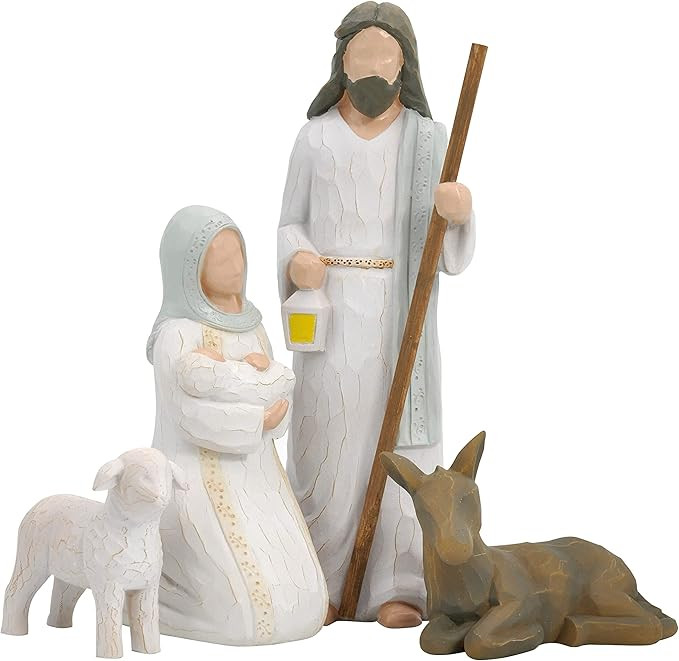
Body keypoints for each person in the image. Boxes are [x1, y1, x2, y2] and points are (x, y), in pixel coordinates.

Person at [277, 2, 476, 627]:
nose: (370, 66)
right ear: (341, 63)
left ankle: (400, 583)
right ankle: (323, 578)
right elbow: (289, 222)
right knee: (328, 443)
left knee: (401, 454)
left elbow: (449, 251)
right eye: (358, 54)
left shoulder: (427, 140)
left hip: (400, 314)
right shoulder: (314, 138)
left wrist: (459, 213)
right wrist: (297, 258)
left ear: (403, 66)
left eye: (383, 55)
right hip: (331, 314)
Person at [148, 205, 327, 645]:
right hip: (196, 478)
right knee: (240, 613)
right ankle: (147, 600)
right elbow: (188, 414)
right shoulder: (177, 334)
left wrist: (266, 404)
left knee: (307, 604)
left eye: (239, 254)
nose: (236, 267)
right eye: (221, 258)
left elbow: (279, 388)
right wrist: (255, 417)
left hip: (260, 480)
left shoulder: (253, 326)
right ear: (189, 267)